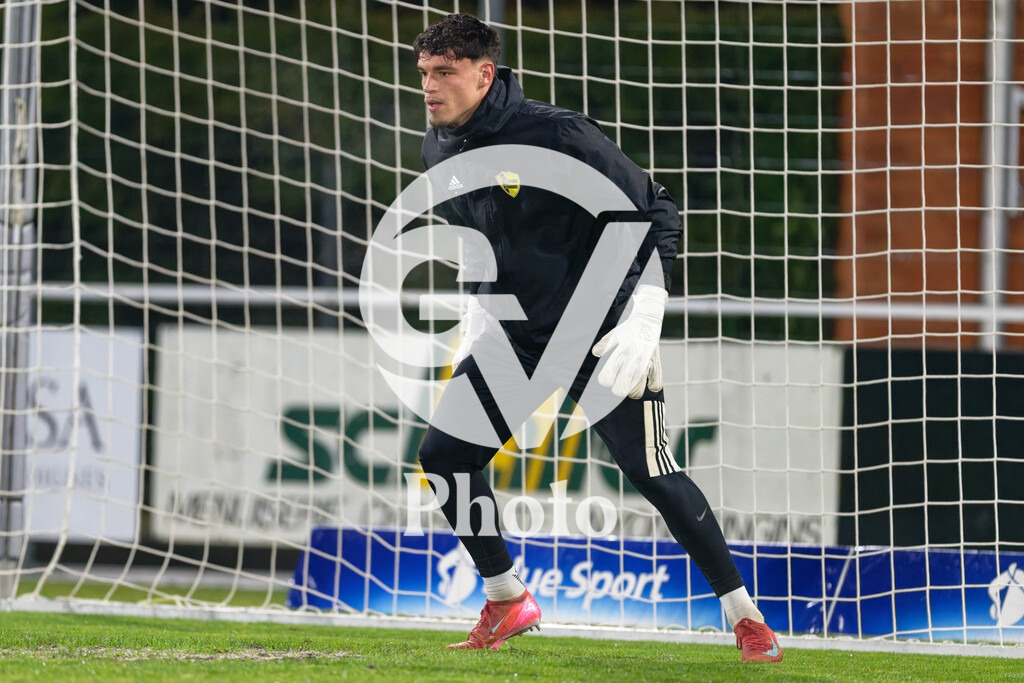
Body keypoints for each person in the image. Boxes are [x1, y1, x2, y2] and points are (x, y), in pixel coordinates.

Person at [411, 13, 783, 663]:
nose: (430, 87)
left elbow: (656, 209)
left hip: (602, 327)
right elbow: (479, 233)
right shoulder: (439, 145)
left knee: (653, 474)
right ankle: (506, 598)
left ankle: (744, 614)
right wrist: (477, 306)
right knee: (444, 455)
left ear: (484, 74)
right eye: (423, 74)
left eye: (444, 73)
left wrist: (645, 311)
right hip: (520, 337)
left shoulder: (557, 135)